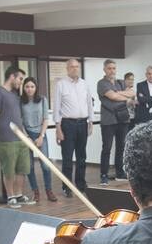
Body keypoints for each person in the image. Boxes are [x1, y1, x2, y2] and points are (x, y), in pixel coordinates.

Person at [0, 65, 33, 207]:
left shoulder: (15, 94)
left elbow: (18, 116)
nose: (21, 82)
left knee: (22, 168)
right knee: (9, 169)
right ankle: (10, 197)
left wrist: (25, 135)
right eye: (20, 78)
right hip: (6, 138)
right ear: (12, 76)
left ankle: (19, 195)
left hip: (20, 138)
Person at [53, 58, 94, 196]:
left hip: (83, 123)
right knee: (67, 158)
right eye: (72, 67)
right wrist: (58, 128)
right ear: (67, 68)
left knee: (82, 156)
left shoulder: (84, 84)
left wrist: (91, 122)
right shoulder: (61, 84)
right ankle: (67, 187)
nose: (75, 69)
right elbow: (57, 107)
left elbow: (89, 103)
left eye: (77, 66)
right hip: (67, 124)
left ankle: (81, 184)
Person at [20, 76, 58, 202]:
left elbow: (46, 119)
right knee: (29, 166)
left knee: (46, 165)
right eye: (27, 87)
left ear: (36, 88)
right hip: (27, 134)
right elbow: (20, 121)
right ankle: (35, 192)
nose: (29, 89)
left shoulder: (42, 99)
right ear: (24, 88)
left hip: (40, 133)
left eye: (32, 86)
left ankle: (49, 191)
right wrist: (26, 137)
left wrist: (41, 136)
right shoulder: (20, 101)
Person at [96, 59, 132, 185]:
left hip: (122, 119)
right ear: (105, 69)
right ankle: (104, 175)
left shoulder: (120, 82)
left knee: (121, 147)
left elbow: (132, 93)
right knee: (107, 148)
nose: (112, 70)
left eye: (114, 68)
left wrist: (119, 93)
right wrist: (125, 98)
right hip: (108, 121)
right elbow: (112, 97)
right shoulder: (102, 83)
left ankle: (119, 172)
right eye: (109, 68)